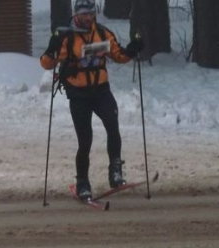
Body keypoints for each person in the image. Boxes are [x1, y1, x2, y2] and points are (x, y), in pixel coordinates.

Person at [39, 0, 143, 200]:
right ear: (76, 15)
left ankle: (115, 170)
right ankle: (83, 182)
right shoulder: (67, 37)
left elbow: (118, 55)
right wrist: (51, 50)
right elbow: (46, 63)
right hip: (79, 95)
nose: (88, 17)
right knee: (85, 139)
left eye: (91, 13)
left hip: (101, 90)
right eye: (84, 13)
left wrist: (132, 49)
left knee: (112, 125)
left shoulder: (104, 34)